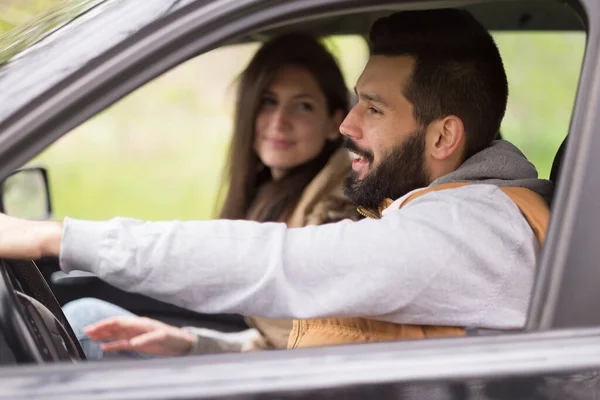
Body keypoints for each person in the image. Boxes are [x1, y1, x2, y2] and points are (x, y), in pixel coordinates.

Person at [0, 9, 553, 351]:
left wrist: (55, 238)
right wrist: (196, 348)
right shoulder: (454, 214)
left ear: (442, 138)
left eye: (374, 110)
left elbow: (279, 262)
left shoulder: (469, 230)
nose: (346, 125)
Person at [59, 33, 361, 359]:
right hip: (279, 369)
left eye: (303, 106)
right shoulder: (278, 194)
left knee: (82, 321)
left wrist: (62, 239)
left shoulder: (337, 208)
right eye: (268, 102)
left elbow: (317, 344)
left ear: (334, 123)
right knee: (87, 317)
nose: (279, 122)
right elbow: (284, 338)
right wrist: (190, 343)